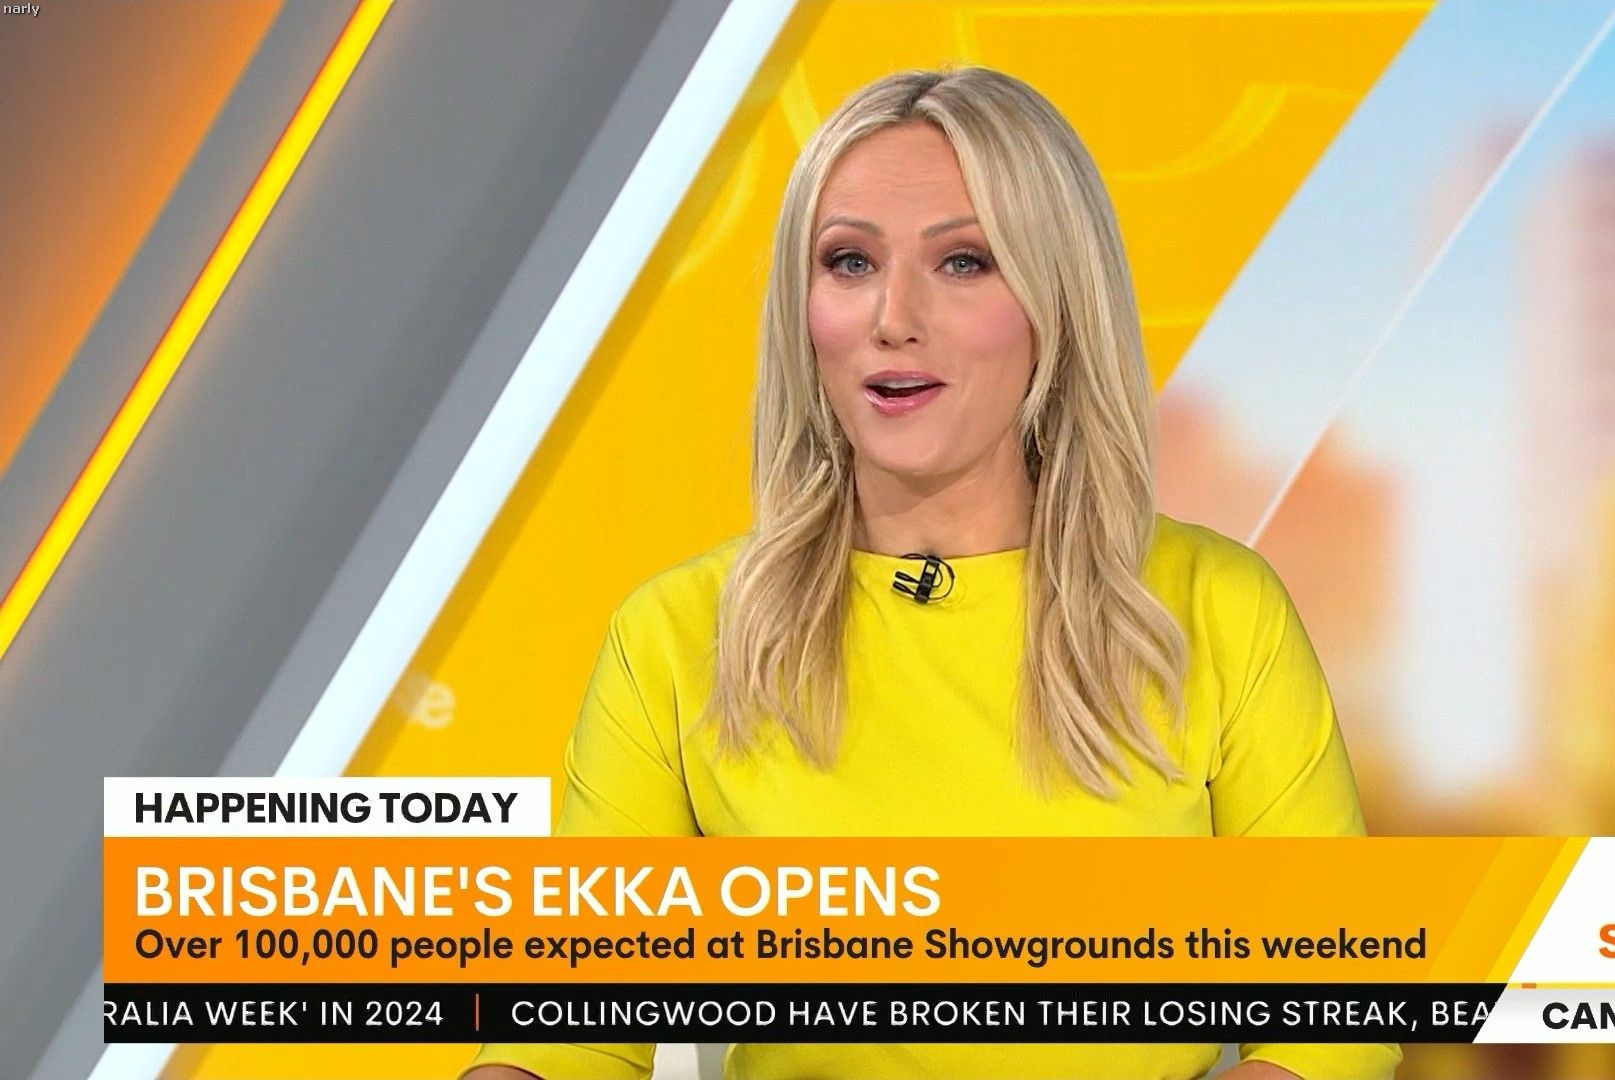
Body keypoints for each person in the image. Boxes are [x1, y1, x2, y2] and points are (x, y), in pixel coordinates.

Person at [465, 65, 1398, 1080]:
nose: (893, 316)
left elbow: (1331, 1022)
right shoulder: (677, 635)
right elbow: (567, 1035)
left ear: (1055, 300)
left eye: (963, 262)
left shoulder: (1215, 611)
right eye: (849, 262)